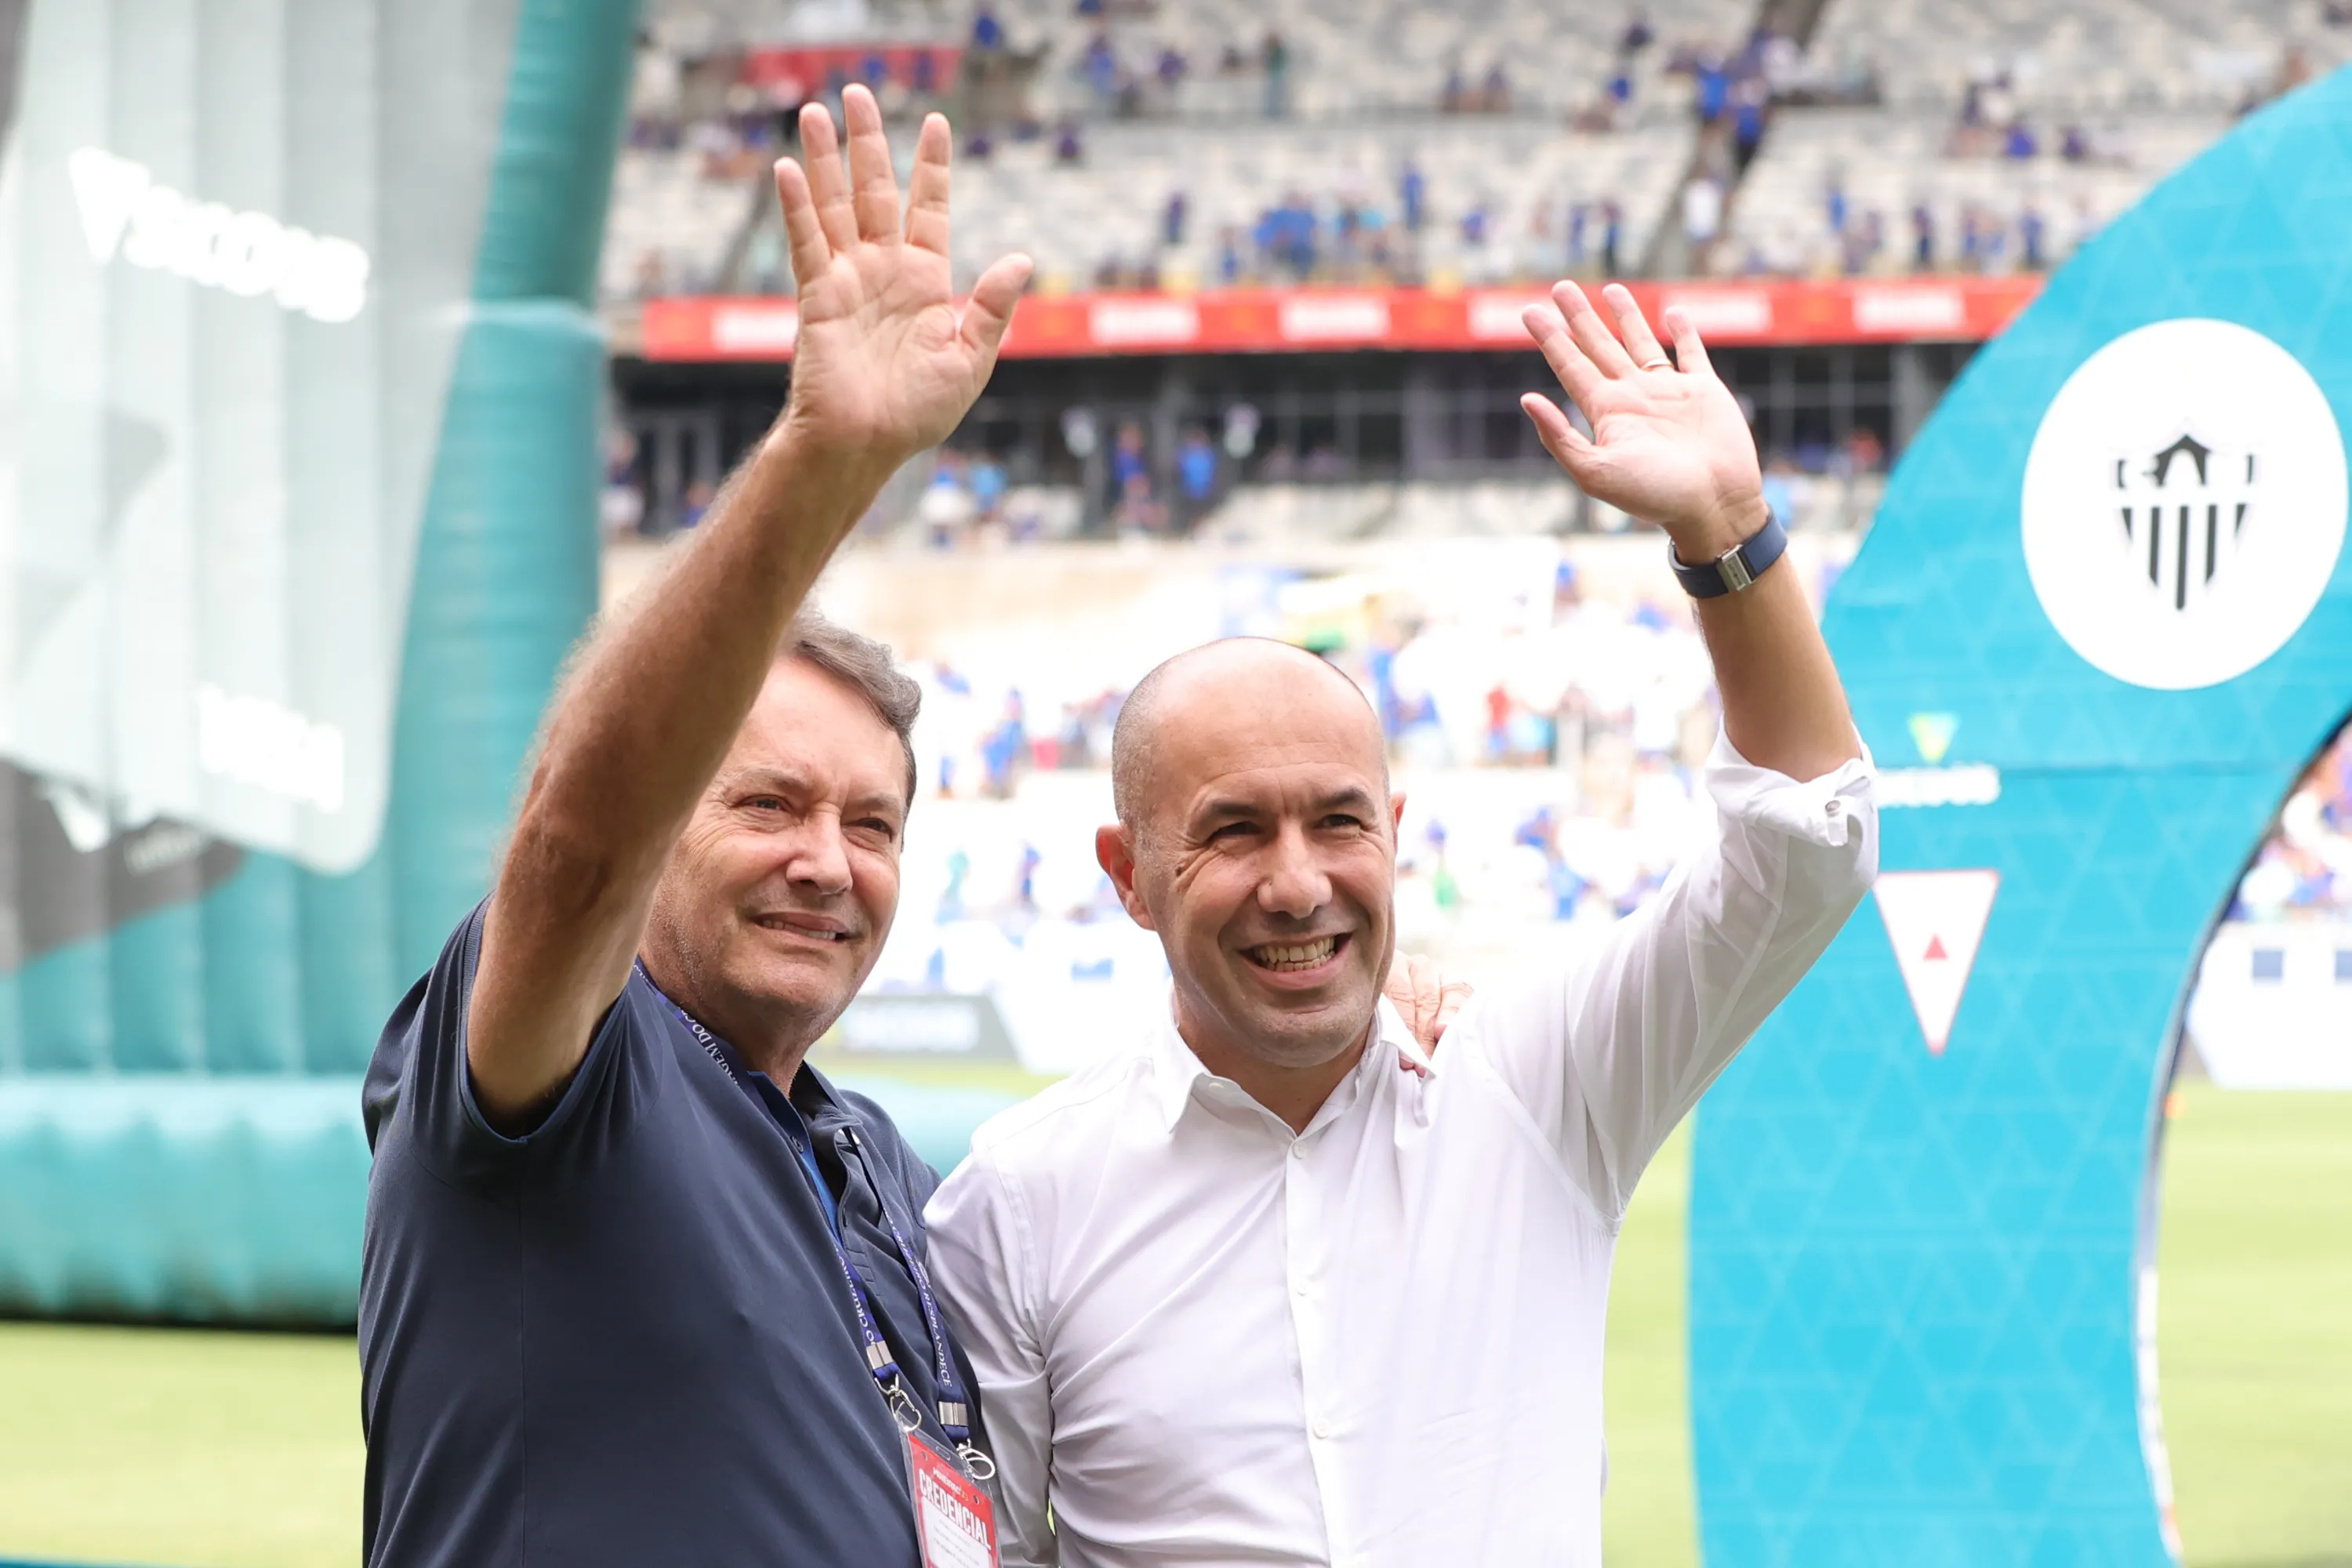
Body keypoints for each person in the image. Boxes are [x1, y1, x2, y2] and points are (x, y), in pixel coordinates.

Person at [359, 89, 1464, 1568]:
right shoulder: (567, 1076)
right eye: (766, 803)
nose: (827, 862)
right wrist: (825, 460)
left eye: (871, 824)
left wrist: (1360, 1007)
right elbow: (578, 844)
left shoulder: (874, 1167)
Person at [924, 278, 1878, 1566]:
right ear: (1127, 875)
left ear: (1396, 833)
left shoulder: (1540, 1086)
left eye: (1338, 822)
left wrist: (1731, 535)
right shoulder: (1017, 1200)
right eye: (1233, 831)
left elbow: (1806, 852)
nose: (1298, 883)